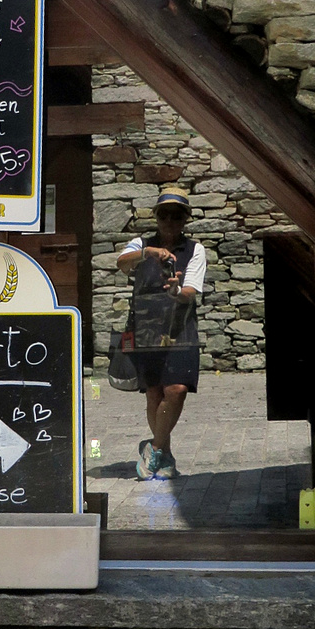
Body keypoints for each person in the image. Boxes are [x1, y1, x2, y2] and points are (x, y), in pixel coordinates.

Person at [116, 187, 207, 480]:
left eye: (176, 215)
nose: (170, 220)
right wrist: (148, 253)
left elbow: (191, 290)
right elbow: (122, 263)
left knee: (177, 389)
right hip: (146, 325)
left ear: (184, 219)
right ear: (156, 217)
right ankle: (164, 456)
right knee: (154, 391)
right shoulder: (141, 244)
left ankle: (154, 448)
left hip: (180, 326)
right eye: (164, 214)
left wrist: (176, 290)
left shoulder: (195, 249)